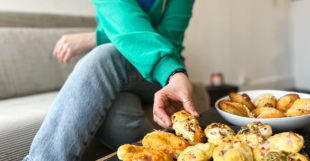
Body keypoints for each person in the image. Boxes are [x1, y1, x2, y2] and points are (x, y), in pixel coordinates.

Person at [23, 0, 198, 160]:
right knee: (119, 113)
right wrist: (117, 36)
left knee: (104, 54)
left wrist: (96, 38)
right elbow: (123, 18)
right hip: (126, 71)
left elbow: (169, 37)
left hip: (167, 71)